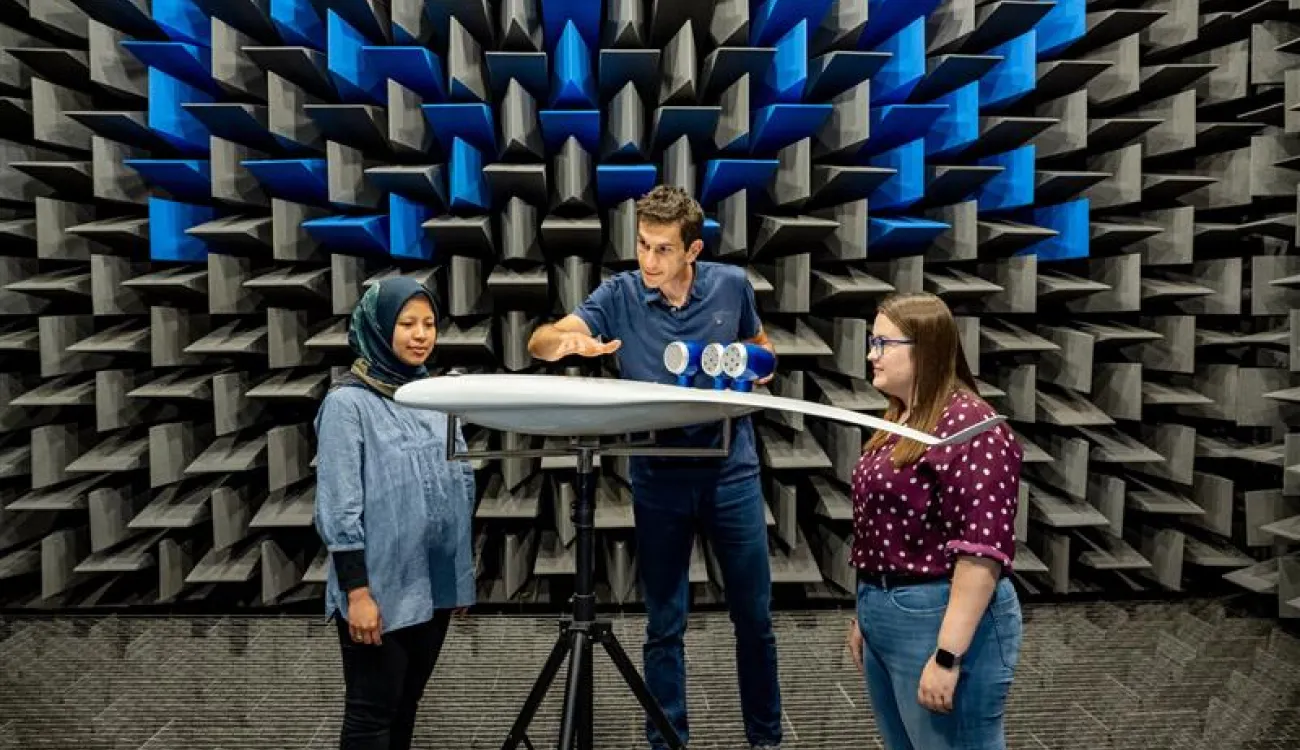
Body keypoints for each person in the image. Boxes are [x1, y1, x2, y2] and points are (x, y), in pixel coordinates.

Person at [527, 185, 784, 750]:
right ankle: (667, 740)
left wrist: (761, 368)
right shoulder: (618, 294)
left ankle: (766, 740)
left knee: (755, 621)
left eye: (663, 249)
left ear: (692, 251)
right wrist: (570, 345)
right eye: (642, 244)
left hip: (730, 472)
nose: (648, 260)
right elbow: (540, 340)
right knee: (664, 625)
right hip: (658, 477)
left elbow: (761, 344)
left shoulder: (731, 286)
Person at [844, 292, 1024, 750]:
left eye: (883, 343)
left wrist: (947, 656)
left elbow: (980, 556)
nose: (871, 354)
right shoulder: (903, 417)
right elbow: (880, 527)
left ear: (924, 349)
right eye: (872, 341)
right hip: (887, 610)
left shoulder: (973, 429)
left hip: (939, 620)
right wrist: (867, 613)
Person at [314, 277, 477, 750]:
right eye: (407, 323)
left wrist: (458, 574)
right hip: (380, 587)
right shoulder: (347, 405)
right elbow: (339, 507)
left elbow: (459, 486)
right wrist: (358, 593)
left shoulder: (437, 397)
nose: (421, 334)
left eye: (429, 323)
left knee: (406, 707)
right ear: (379, 328)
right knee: (371, 716)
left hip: (434, 583)